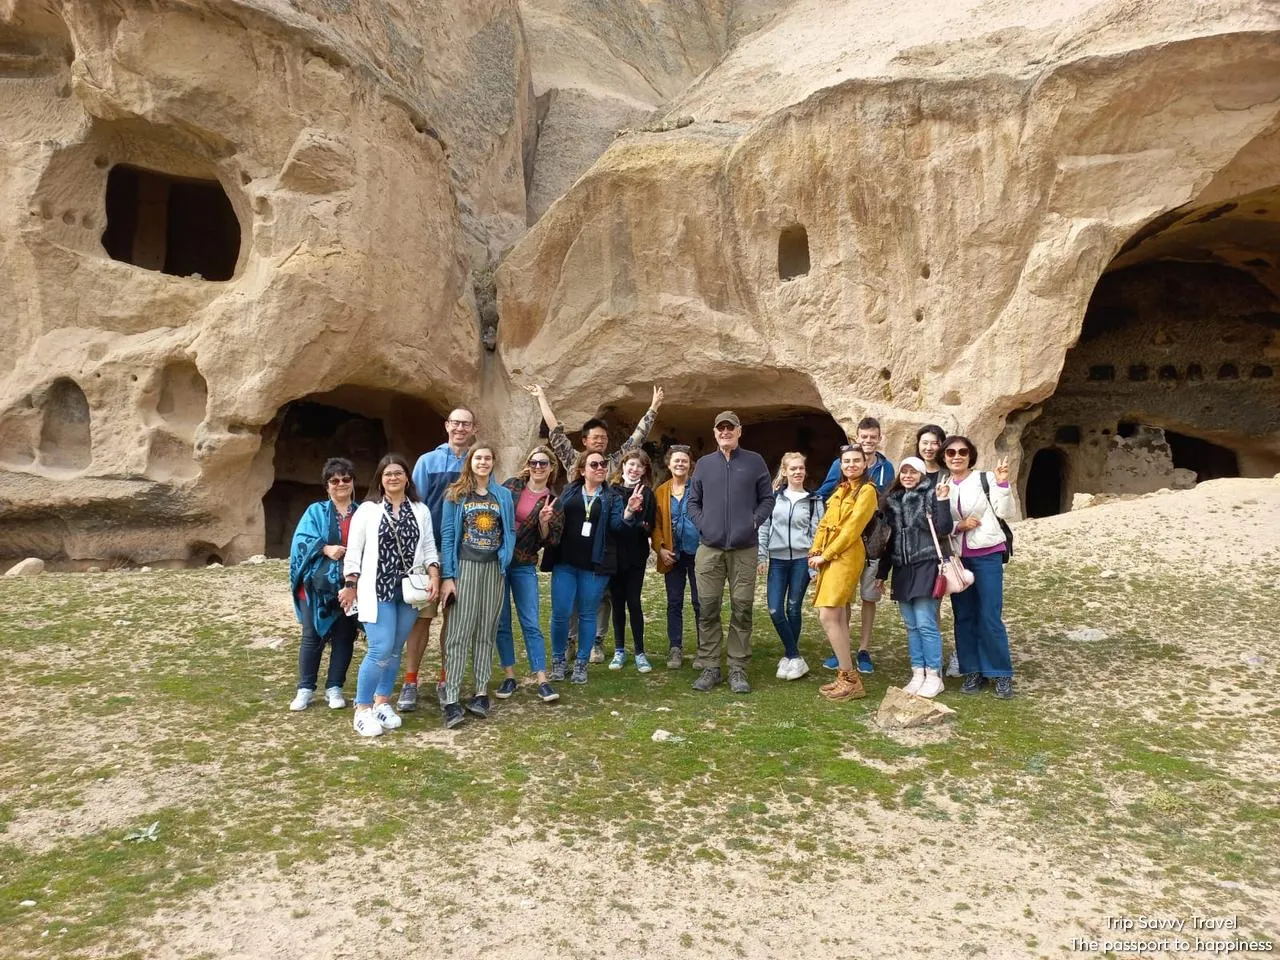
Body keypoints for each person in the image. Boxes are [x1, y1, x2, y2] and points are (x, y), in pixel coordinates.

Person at [526, 383, 665, 665]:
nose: (600, 442)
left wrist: (652, 409)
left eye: (603, 437)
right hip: (575, 538)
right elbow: (555, 433)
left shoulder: (614, 462)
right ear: (586, 441)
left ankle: (598, 642)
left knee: (603, 597)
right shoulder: (573, 460)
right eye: (595, 437)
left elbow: (636, 441)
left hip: (607, 539)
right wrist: (542, 399)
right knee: (574, 598)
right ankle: (568, 642)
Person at [341, 454, 441, 737]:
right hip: (377, 588)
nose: (393, 478)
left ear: (407, 477)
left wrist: (434, 575)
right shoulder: (368, 510)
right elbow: (354, 551)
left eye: (398, 473)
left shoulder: (420, 509)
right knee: (380, 648)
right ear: (380, 479)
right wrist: (350, 584)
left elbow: (430, 547)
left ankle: (382, 702)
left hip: (409, 590)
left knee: (396, 648)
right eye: (388, 474)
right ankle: (362, 709)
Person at [687, 411, 774, 694]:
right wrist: (705, 525)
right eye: (720, 428)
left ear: (739, 431)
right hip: (710, 549)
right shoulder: (703, 464)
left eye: (730, 427)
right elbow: (692, 502)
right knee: (708, 608)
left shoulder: (754, 461)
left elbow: (767, 499)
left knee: (742, 608)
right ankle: (711, 665)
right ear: (715, 433)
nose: (725, 432)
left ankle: (738, 668)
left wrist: (753, 521)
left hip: (744, 549)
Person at [397, 407, 477, 712]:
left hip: (464, 553)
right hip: (429, 552)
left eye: (465, 424)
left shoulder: (477, 461)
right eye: (455, 423)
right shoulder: (427, 461)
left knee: (453, 620)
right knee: (422, 618)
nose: (460, 428)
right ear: (447, 426)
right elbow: (414, 503)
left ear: (473, 429)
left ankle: (446, 679)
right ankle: (410, 680)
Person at [437, 443, 517, 728]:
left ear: (494, 462)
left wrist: (505, 558)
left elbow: (508, 529)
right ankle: (451, 697)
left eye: (487, 458)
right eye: (478, 458)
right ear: (470, 461)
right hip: (465, 568)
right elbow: (448, 536)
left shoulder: (504, 496)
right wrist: (448, 576)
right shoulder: (456, 494)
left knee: (486, 630)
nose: (483, 462)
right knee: (459, 631)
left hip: (494, 569)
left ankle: (481, 692)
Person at [542, 450, 629, 685]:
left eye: (603, 464)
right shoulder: (569, 491)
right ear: (582, 470)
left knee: (587, 614)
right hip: (565, 562)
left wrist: (629, 512)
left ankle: (581, 663)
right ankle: (559, 661)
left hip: (594, 565)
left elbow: (617, 525)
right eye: (594, 464)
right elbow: (557, 518)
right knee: (560, 614)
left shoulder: (612, 497)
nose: (600, 468)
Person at [817, 417, 895, 675]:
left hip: (872, 540)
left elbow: (890, 499)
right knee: (843, 598)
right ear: (856, 438)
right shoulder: (843, 480)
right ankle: (844, 652)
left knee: (867, 596)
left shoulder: (884, 469)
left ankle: (863, 650)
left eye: (873, 437)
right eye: (864, 437)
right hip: (844, 544)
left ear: (879, 438)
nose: (868, 441)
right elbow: (826, 492)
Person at [941, 436, 1016, 699]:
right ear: (944, 457)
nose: (956, 456)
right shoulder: (943, 485)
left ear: (970, 455)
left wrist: (1003, 482)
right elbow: (940, 522)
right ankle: (972, 670)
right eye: (951, 452)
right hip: (959, 558)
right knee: (964, 616)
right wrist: (958, 526)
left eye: (962, 452)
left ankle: (1000, 673)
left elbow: (1004, 510)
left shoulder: (985, 478)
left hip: (987, 554)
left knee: (989, 615)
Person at [874, 457, 955, 698]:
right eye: (904, 472)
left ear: (921, 474)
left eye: (913, 472)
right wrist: (881, 573)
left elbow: (944, 528)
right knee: (911, 625)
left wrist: (942, 500)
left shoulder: (930, 495)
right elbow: (888, 543)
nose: (908, 476)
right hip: (902, 568)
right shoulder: (891, 502)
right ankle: (917, 672)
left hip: (926, 564)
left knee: (925, 623)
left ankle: (934, 675)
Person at [288, 457, 360, 711]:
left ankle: (335, 687)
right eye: (334, 480)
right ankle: (305, 688)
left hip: (352, 586)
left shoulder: (363, 512)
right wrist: (325, 548)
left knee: (345, 636)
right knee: (312, 636)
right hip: (315, 587)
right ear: (327, 486)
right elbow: (300, 541)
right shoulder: (315, 511)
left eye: (346, 479)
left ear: (353, 482)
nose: (340, 484)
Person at [808, 445, 878, 701]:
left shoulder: (867, 491)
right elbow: (825, 523)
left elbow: (852, 529)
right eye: (846, 461)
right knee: (834, 615)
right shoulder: (841, 489)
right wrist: (815, 550)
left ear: (864, 463)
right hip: (829, 555)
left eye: (856, 461)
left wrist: (826, 555)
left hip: (846, 556)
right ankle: (844, 675)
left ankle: (850, 678)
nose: (851, 465)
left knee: (828, 614)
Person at [495, 444, 561, 704]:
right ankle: (509, 675)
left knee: (530, 622)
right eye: (534, 462)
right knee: (502, 622)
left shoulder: (553, 499)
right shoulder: (511, 486)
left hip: (524, 564)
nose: (538, 467)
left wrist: (544, 522)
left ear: (551, 468)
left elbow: (550, 541)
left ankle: (541, 678)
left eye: (543, 463)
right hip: (499, 562)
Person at [757, 452, 824, 681]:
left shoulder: (814, 501)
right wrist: (761, 555)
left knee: (793, 607)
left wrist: (814, 565)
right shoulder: (773, 499)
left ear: (805, 471)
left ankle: (789, 657)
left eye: (801, 468)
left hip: (801, 561)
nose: (798, 472)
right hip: (777, 559)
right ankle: (795, 656)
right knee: (775, 609)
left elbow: (817, 534)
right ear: (784, 471)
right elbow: (764, 527)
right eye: (793, 468)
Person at [651, 445, 700, 669]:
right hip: (672, 554)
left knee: (701, 602)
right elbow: (656, 524)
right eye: (676, 461)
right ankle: (675, 648)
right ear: (668, 464)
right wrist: (660, 549)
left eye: (684, 461)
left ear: (690, 464)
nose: (680, 464)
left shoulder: (700, 489)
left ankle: (704, 649)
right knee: (674, 602)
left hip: (698, 553)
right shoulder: (660, 492)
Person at [608, 450, 656, 672]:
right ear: (623, 465)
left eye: (639, 466)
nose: (634, 469)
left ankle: (639, 652)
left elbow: (648, 524)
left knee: (634, 603)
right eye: (631, 464)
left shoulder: (647, 493)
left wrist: (636, 522)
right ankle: (619, 650)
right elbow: (612, 524)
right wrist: (632, 520)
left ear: (644, 471)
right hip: (615, 556)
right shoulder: (611, 491)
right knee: (617, 603)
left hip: (635, 556)